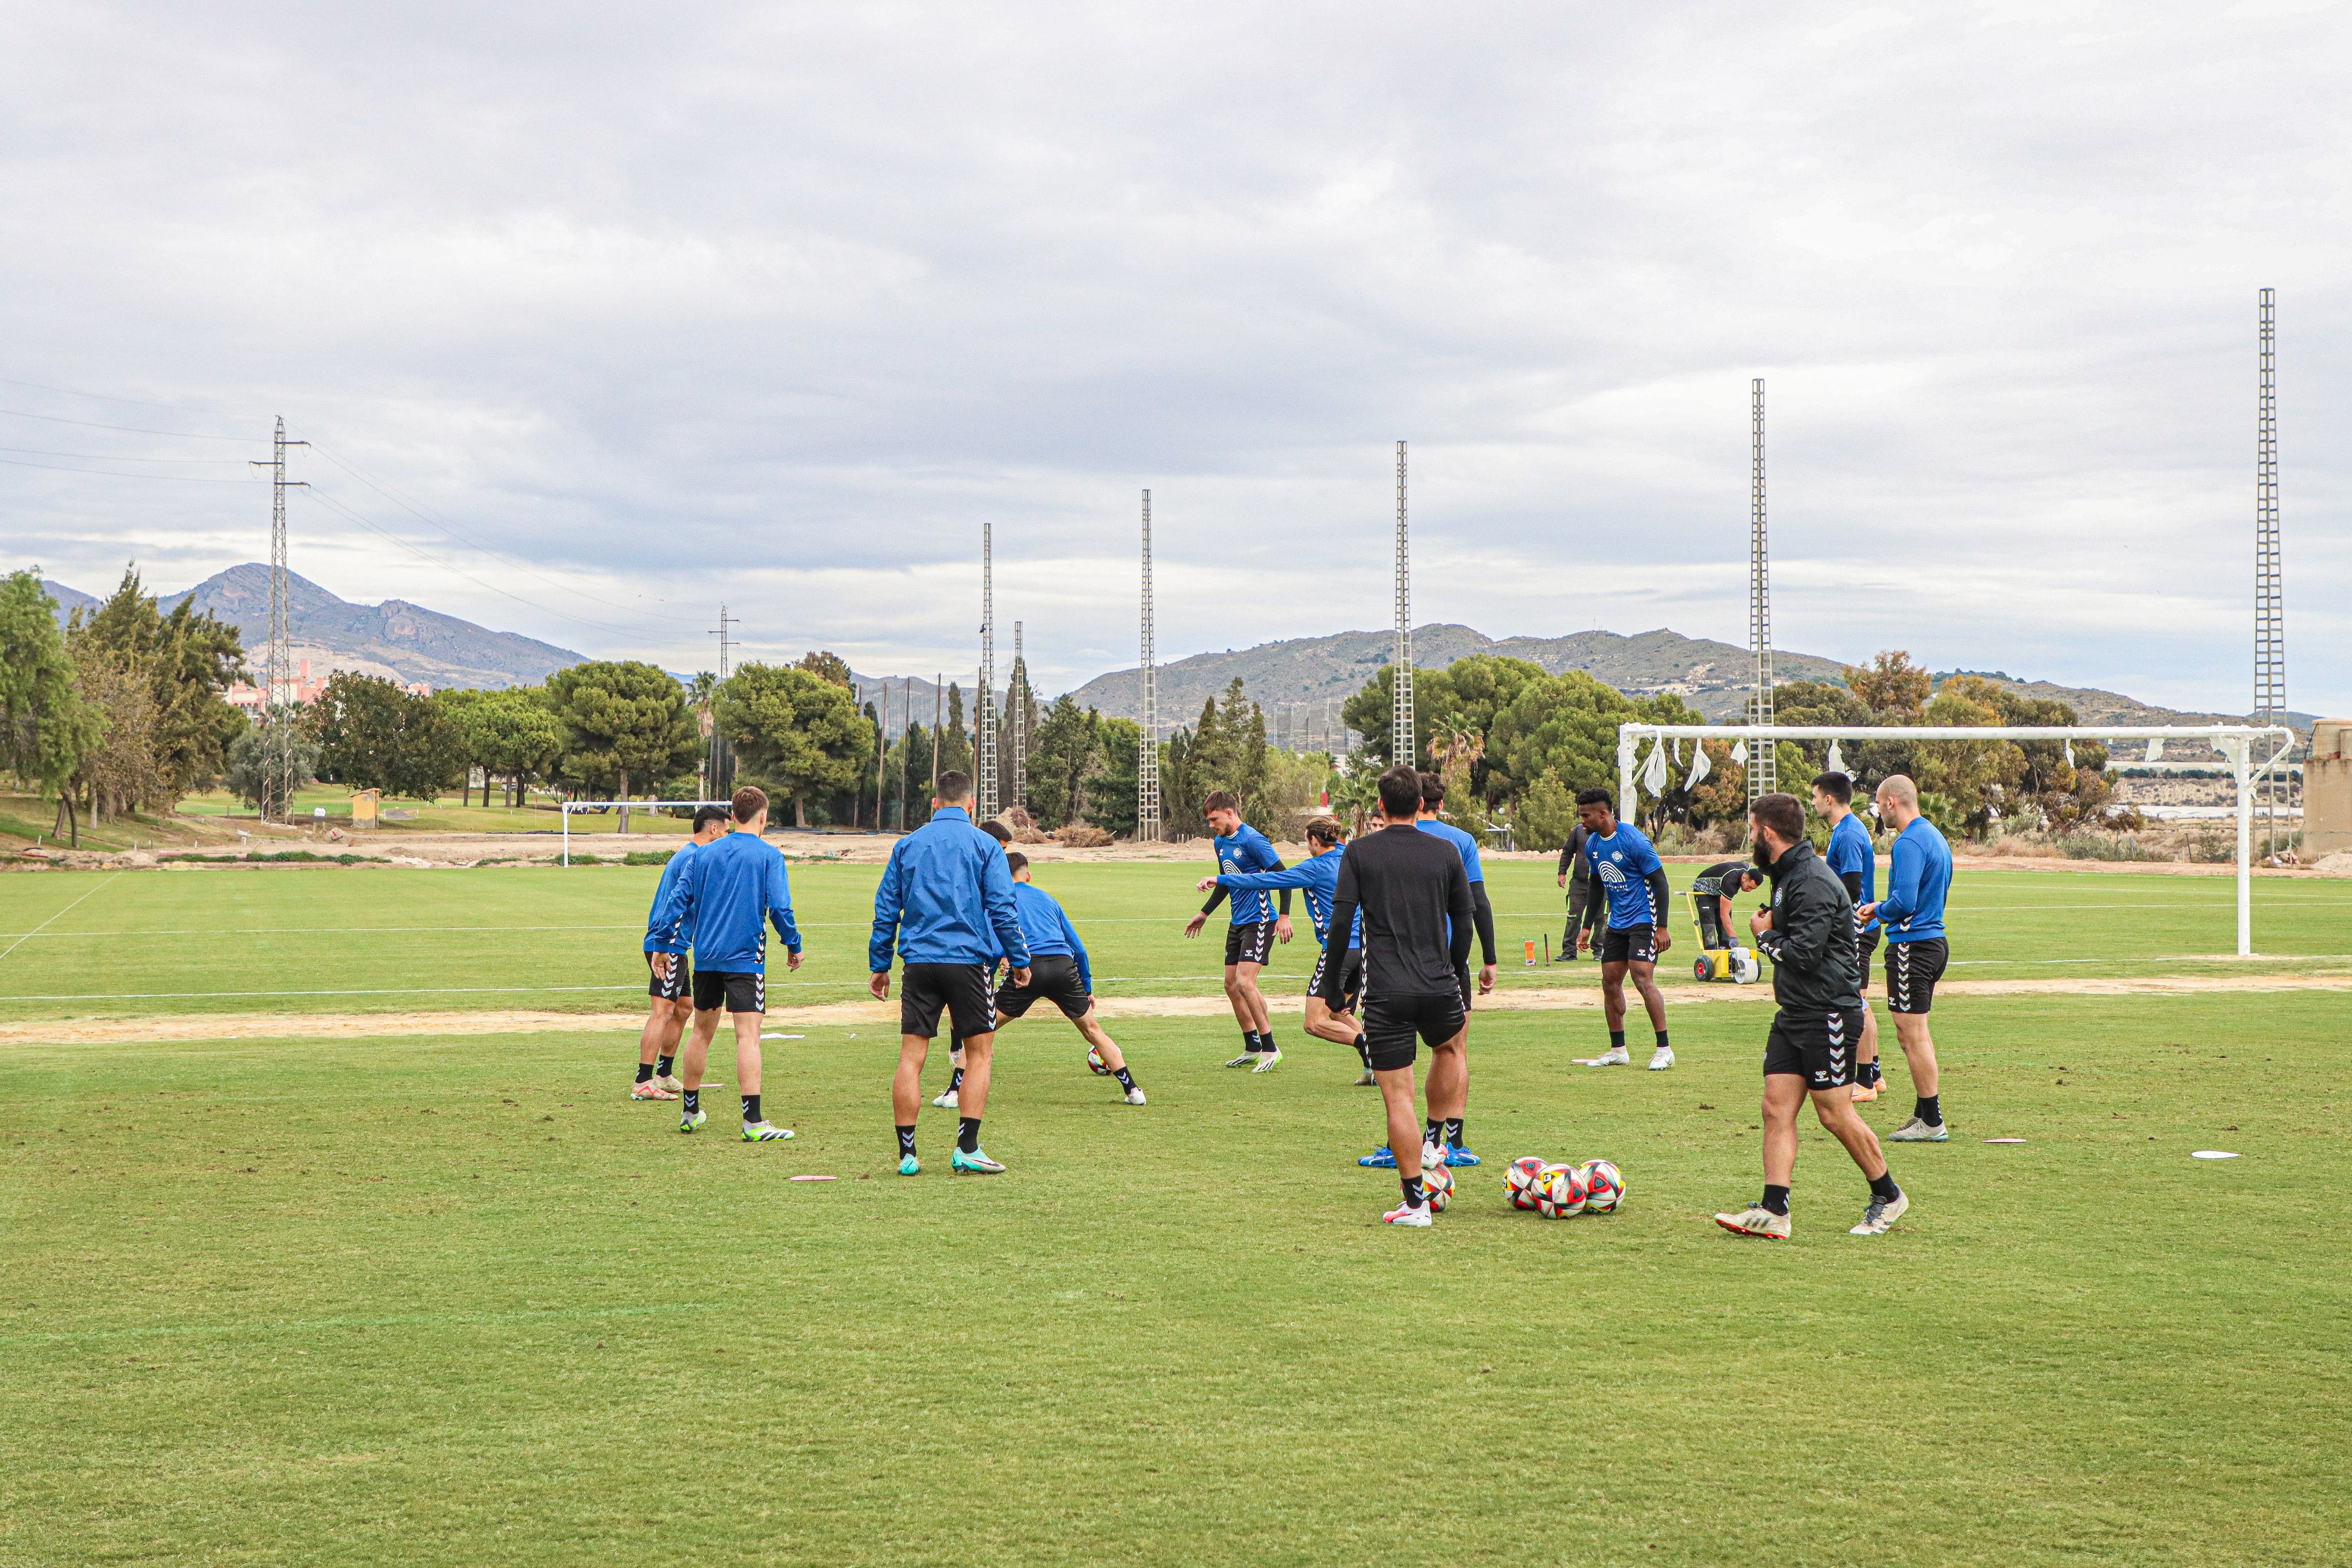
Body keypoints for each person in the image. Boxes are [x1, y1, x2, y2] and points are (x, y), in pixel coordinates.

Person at [1714, 792, 1909, 1240]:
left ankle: (1889, 1194)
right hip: (1795, 1012)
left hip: (1829, 1013)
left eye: (1752, 830)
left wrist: (1763, 937)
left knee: (1834, 1113)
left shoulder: (1813, 880)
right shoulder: (1787, 875)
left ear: (1767, 833)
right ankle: (1774, 1210)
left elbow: (1804, 954)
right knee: (1775, 1108)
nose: (1750, 838)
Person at [1320, 764, 1475, 1226]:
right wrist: (1456, 971)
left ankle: (1414, 1203)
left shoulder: (1360, 853)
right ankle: (1435, 1139)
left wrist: (1333, 986)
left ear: (1381, 806)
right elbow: (1463, 921)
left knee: (1397, 1098)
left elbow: (1340, 924)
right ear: (1422, 805)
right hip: (1438, 982)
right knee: (1447, 1048)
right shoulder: (1446, 851)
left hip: (1385, 990)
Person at [871, 771, 1033, 1175]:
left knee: (912, 1055)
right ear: (972, 803)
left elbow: (886, 908)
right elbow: (1003, 908)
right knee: (979, 1052)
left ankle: (907, 1154)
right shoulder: (985, 844)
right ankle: (967, 1147)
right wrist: (1020, 959)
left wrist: (879, 965)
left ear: (935, 802)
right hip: (967, 961)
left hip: (919, 964)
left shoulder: (907, 845)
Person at [648, 786, 802, 1142]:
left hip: (706, 959)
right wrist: (794, 944)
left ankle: (690, 1110)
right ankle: (753, 1121)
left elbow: (676, 901)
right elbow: (780, 908)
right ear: (762, 817)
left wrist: (661, 943)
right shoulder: (769, 856)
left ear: (732, 816)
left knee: (701, 1031)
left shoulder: (703, 855)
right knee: (747, 1035)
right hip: (746, 959)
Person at [1199, 816, 1365, 1082]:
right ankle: (1372, 1067)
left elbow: (1267, 880)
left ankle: (1370, 1048)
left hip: (1338, 952)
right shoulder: (1349, 857)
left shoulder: (1314, 868)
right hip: (1362, 953)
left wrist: (1221, 879)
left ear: (1313, 840)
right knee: (1338, 1012)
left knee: (1314, 1023)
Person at [994, 852, 1146, 1105]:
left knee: (983, 1028)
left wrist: (1001, 960)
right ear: (1028, 875)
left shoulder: (1001, 900)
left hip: (1027, 969)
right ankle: (1133, 1091)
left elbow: (996, 941)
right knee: (1093, 1030)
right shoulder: (1049, 899)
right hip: (1063, 967)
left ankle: (954, 1092)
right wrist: (1086, 987)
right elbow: (1079, 949)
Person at [1857, 773, 1955, 1142]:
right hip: (1933, 941)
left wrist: (1876, 909)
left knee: (1912, 1036)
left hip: (1913, 945)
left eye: (1880, 804)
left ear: (1892, 802)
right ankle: (1923, 1113)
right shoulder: (1935, 835)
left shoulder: (1909, 841)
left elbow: (1905, 902)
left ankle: (1931, 1120)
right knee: (1915, 1033)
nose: (1879, 812)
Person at [1182, 792, 1294, 1070]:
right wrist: (1205, 913)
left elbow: (1283, 877)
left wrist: (1284, 916)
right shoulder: (1221, 842)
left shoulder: (1254, 840)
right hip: (1238, 921)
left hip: (1261, 919)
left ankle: (1271, 1048)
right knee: (1231, 985)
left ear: (1230, 813)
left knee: (1246, 982)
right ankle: (1252, 1046)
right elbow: (1226, 882)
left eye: (1214, 819)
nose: (1211, 826)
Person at [1572, 788, 1676, 1069]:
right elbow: (1596, 886)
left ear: (1603, 813)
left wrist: (1662, 927)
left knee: (1642, 978)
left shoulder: (1635, 841)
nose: (1582, 821)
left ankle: (1664, 1049)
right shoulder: (1593, 844)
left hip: (1645, 919)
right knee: (1610, 982)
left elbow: (1661, 883)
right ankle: (1618, 1050)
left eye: (1586, 815)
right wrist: (1586, 928)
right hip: (1617, 922)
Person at [634, 805, 732, 1100]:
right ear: (713, 829)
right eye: (726, 831)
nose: (727, 837)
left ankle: (664, 1075)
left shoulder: (688, 854)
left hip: (676, 943)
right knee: (662, 1011)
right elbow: (678, 905)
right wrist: (664, 946)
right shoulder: (694, 857)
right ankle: (643, 1081)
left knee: (684, 1007)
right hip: (669, 944)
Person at [1812, 772, 1886, 1102]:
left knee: (1857, 1004)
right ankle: (1876, 1076)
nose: (1812, 802)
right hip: (1855, 928)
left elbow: (1852, 888)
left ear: (1829, 798)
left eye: (1815, 796)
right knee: (1860, 1002)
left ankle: (1866, 1082)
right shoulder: (1847, 830)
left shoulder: (1849, 834)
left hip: (1856, 928)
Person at [934, 818, 1016, 1110]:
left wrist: (1008, 952)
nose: (1004, 857)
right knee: (979, 1038)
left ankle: (958, 1060)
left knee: (971, 1026)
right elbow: (999, 912)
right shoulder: (979, 864)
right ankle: (959, 1084)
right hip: (970, 953)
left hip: (981, 953)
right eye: (1003, 850)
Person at [1690, 857, 1762, 954]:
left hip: (1719, 889)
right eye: (1749, 887)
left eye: (1752, 889)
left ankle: (1726, 952)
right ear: (1744, 878)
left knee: (1724, 927)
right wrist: (1734, 937)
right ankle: (1711, 954)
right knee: (1709, 924)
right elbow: (1724, 914)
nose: (1749, 891)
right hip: (1704, 890)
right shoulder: (1731, 881)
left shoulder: (1749, 870)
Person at [1557, 818, 1603, 961]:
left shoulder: (1605, 832)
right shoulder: (1578, 830)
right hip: (1579, 882)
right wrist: (1562, 872)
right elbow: (1568, 852)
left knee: (1602, 917)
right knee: (1573, 917)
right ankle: (1569, 951)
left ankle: (1599, 951)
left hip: (1602, 884)